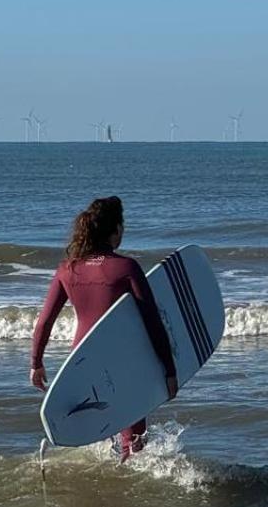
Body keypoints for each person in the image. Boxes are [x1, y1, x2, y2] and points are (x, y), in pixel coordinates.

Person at [30, 196, 178, 461]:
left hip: (82, 360)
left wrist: (36, 362)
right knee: (133, 440)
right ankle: (127, 486)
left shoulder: (68, 269)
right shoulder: (126, 267)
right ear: (116, 230)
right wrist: (169, 368)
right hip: (121, 361)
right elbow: (152, 320)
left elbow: (45, 321)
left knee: (98, 428)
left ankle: (102, 485)